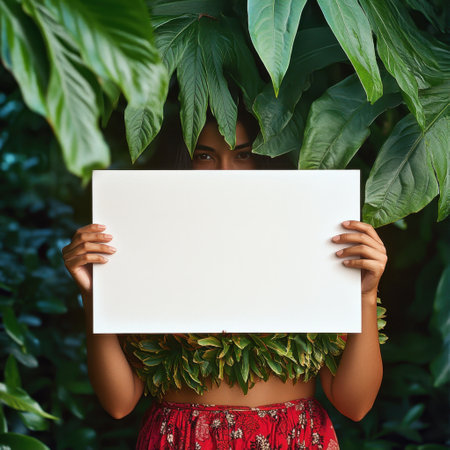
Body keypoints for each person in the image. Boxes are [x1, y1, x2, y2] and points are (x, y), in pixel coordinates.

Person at [62, 115, 387, 449]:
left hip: (291, 439)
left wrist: (366, 295)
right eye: (204, 156)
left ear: (266, 161)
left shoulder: (315, 245)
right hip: (182, 440)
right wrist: (95, 295)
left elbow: (356, 404)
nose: (225, 173)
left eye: (242, 155)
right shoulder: (146, 250)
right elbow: (119, 403)